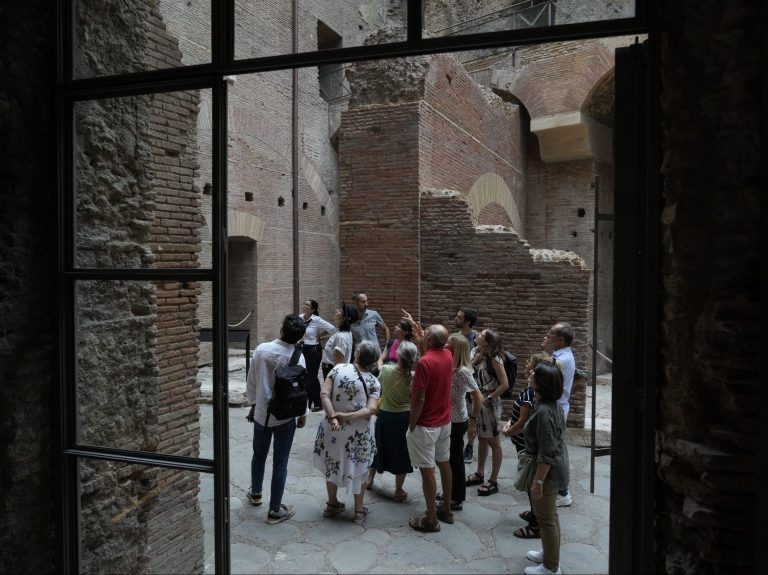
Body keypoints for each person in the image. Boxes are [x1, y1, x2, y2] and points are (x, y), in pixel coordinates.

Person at [245, 314, 308, 525]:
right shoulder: (298, 357)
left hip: (262, 414)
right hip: (285, 417)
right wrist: (303, 414)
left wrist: (253, 405)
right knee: (280, 463)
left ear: (282, 329)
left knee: (258, 455)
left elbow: (252, 380)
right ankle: (274, 510)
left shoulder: (262, 350)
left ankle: (256, 493)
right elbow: (301, 389)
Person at [313, 340, 381, 525]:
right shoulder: (374, 382)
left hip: (333, 429)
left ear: (357, 354)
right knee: (360, 468)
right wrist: (346, 416)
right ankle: (358, 512)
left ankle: (332, 504)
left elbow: (324, 394)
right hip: (358, 433)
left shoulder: (338, 369)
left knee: (332, 463)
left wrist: (334, 417)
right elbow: (370, 410)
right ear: (373, 361)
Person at [405, 324, 454, 533]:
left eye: (426, 333)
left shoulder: (423, 363)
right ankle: (447, 510)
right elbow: (433, 362)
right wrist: (421, 340)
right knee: (444, 463)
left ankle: (431, 520)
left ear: (430, 340)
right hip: (445, 422)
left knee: (427, 472)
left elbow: (419, 398)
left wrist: (412, 422)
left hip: (426, 424)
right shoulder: (448, 355)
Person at [523, 362, 569, 575]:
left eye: (535, 374)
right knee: (550, 514)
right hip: (555, 467)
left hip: (548, 471)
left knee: (546, 518)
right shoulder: (552, 405)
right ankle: (549, 554)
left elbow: (548, 451)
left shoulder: (543, 411)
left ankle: (551, 567)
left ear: (541, 384)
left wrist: (538, 481)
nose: (530, 374)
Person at [504, 352, 552, 539]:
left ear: (535, 370)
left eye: (529, 362)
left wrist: (508, 431)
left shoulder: (532, 393)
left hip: (526, 445)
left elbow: (523, 422)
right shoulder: (532, 389)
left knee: (532, 484)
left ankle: (536, 524)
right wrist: (510, 421)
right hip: (524, 444)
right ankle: (534, 514)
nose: (525, 364)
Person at [365, 340, 418, 499]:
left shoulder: (386, 371)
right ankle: (398, 490)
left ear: (398, 355)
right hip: (403, 418)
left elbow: (378, 385)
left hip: (385, 416)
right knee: (402, 452)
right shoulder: (414, 377)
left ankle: (369, 480)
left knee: (378, 446)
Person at [440, 333, 482, 512]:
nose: (445, 346)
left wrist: (473, 420)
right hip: (447, 419)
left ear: (456, 349)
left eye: (449, 344)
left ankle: (457, 498)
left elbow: (478, 397)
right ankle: (449, 492)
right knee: (446, 459)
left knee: (455, 460)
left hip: (457, 422)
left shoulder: (464, 371)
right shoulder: (449, 366)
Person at [465, 328, 509, 496]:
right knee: (482, 438)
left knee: (493, 441)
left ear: (488, 342)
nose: (478, 335)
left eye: (482, 335)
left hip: (489, 404)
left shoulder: (495, 359)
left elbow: (504, 384)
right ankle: (480, 473)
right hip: (478, 400)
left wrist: (489, 398)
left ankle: (494, 480)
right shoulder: (476, 352)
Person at [542, 322, 575, 507]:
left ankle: (563, 493)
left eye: (552, 333)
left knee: (555, 451)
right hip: (553, 408)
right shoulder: (559, 355)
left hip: (556, 410)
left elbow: (543, 375)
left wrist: (544, 353)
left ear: (560, 340)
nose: (548, 334)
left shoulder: (564, 359)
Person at [300, 299, 336, 412]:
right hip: (302, 348)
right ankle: (306, 400)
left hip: (313, 350)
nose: (305, 306)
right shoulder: (300, 318)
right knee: (303, 375)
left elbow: (332, 329)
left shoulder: (316, 320)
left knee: (312, 376)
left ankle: (318, 402)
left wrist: (320, 336)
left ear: (313, 309)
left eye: (307, 305)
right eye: (304, 304)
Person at [454, 307, 479, 464]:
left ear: (467, 321)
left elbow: (475, 362)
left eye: (460, 317)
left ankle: (469, 446)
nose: (456, 318)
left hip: (471, 383)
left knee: (471, 417)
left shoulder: (477, 338)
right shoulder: (456, 337)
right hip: (456, 383)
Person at [320, 304, 358, 380]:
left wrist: (333, 380)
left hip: (332, 371)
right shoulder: (339, 331)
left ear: (345, 318)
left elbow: (338, 364)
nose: (337, 310)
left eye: (340, 311)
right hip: (329, 369)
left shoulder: (342, 336)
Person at [350, 293, 390, 362]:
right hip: (361, 357)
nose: (366, 304)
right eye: (363, 302)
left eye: (366, 301)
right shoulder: (351, 319)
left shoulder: (374, 314)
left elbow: (385, 329)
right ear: (356, 303)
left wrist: (387, 347)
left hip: (376, 355)